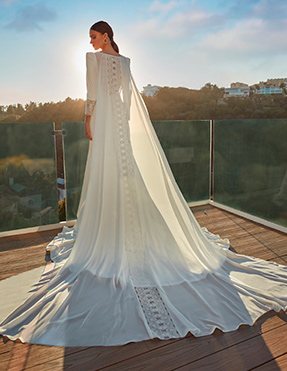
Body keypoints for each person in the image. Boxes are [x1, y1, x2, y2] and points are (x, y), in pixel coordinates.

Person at [0, 21, 286, 347]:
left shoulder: (93, 60)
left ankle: (115, 236)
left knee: (110, 178)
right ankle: (126, 233)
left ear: (105, 36)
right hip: (119, 124)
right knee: (126, 177)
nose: (91, 42)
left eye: (94, 36)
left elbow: (92, 95)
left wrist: (88, 120)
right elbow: (125, 100)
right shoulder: (124, 63)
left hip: (107, 124)